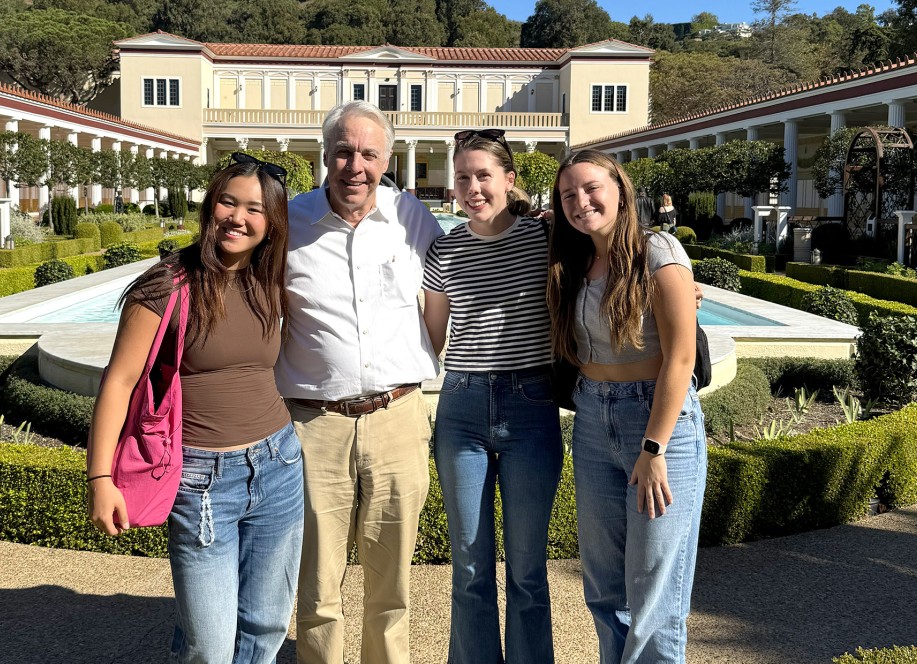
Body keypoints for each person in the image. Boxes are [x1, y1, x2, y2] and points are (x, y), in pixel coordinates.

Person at [87, 154, 302, 663]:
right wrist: (99, 478)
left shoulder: (272, 279)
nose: (238, 218)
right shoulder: (166, 285)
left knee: (266, 625)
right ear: (210, 206)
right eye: (228, 201)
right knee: (209, 644)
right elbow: (119, 381)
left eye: (254, 208)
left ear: (271, 223)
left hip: (279, 464)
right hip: (202, 480)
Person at [277, 100, 442, 664]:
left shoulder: (412, 217)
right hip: (313, 425)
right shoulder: (287, 221)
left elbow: (471, 267)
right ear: (324, 156)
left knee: (392, 579)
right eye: (343, 152)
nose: (356, 166)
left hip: (398, 417)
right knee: (318, 579)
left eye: (369, 154)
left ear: (386, 158)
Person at [547, 150, 707, 664]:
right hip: (593, 419)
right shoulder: (572, 257)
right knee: (604, 588)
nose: (581, 201)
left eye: (591, 188)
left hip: (657, 425)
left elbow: (681, 357)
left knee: (654, 591)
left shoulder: (658, 251)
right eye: (568, 195)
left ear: (620, 188)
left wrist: (654, 446)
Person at [421, 128, 561, 664]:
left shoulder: (544, 238)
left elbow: (605, 262)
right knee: (470, 565)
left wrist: (673, 283)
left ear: (508, 179)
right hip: (462, 404)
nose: (472, 187)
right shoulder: (444, 249)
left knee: (527, 568)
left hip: (531, 404)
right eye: (463, 177)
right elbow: (431, 339)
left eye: (483, 175)